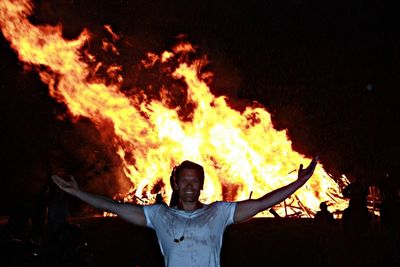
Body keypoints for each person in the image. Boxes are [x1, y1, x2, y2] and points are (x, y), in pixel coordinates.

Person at [52, 156, 318, 267]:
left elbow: (262, 203)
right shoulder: (158, 215)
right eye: (184, 181)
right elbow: (114, 206)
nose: (189, 186)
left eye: (195, 181)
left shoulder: (219, 212)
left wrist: (299, 182)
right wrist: (77, 192)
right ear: (176, 185)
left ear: (202, 185)